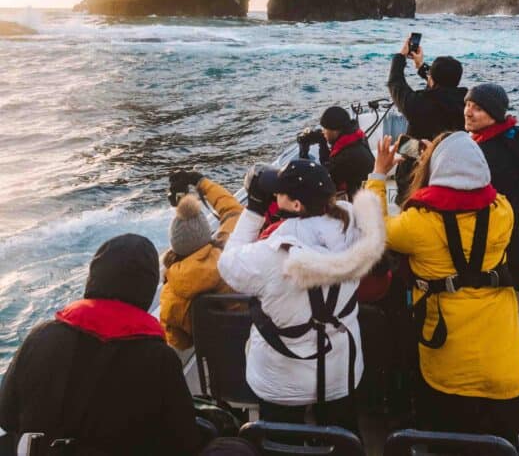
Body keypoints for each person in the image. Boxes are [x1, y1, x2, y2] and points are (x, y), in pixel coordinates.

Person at [367, 132, 519, 444]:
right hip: (505, 366)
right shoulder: (503, 211)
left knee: (450, 444)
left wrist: (378, 174)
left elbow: (376, 230)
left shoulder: (418, 224)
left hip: (448, 368)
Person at [217, 158, 385, 433]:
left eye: (280, 192)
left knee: (283, 440)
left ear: (296, 205)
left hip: (282, 378)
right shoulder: (355, 224)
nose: (275, 195)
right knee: (343, 435)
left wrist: (255, 210)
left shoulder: (271, 253)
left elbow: (228, 264)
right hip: (340, 371)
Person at [0, 234, 201, 456]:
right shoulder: (160, 360)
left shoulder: (40, 337)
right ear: (148, 286)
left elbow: (6, 416)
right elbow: (185, 442)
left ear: (94, 277)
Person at [465, 83, 519, 308]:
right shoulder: (515, 137)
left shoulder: (486, 155)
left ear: (493, 114)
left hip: (507, 259)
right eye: (467, 104)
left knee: (508, 319)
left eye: (477, 108)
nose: (467, 111)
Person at [160, 170, 244, 349]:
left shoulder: (171, 292)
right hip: (248, 345)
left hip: (217, 363)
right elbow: (233, 211)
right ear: (207, 233)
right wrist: (201, 182)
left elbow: (179, 343)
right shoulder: (229, 249)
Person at [387, 37, 467, 140]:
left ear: (431, 79)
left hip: (420, 154)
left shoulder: (419, 103)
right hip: (452, 153)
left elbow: (395, 82)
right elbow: (442, 81)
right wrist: (421, 66)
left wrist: (401, 56)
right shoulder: (466, 103)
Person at [298, 106, 374, 199]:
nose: (323, 132)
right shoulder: (356, 139)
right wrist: (323, 141)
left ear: (335, 130)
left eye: (325, 129)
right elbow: (329, 165)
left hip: (356, 200)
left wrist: (303, 150)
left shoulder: (346, 156)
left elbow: (320, 182)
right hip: (359, 187)